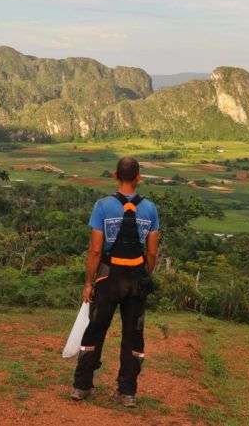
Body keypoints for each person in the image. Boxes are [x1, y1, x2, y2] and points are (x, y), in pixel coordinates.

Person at [70, 156, 161, 407]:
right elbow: (152, 252)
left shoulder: (103, 206)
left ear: (115, 176)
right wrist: (145, 275)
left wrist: (89, 282)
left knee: (95, 330)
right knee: (133, 335)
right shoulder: (150, 209)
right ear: (139, 177)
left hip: (108, 277)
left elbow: (96, 250)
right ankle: (127, 391)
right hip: (136, 279)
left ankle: (82, 386)